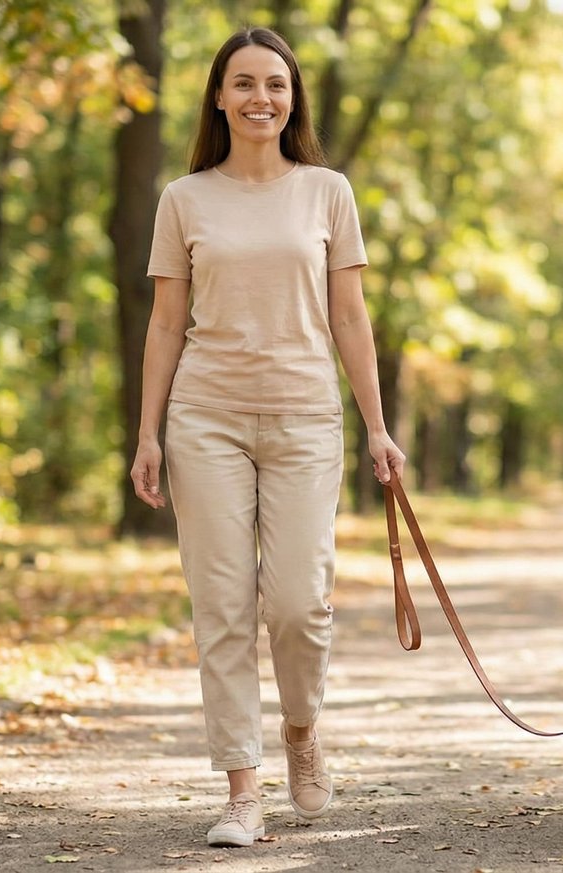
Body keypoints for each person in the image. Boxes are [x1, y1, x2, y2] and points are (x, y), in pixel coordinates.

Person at [128, 26, 406, 849]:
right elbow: (166, 323)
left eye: (275, 85)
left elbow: (350, 316)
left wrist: (378, 426)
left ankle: (300, 728)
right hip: (205, 415)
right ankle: (242, 789)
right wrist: (148, 433)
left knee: (296, 602)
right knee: (221, 604)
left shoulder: (327, 191)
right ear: (218, 95)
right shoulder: (185, 198)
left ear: (294, 99)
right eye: (243, 84)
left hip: (305, 416)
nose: (260, 99)